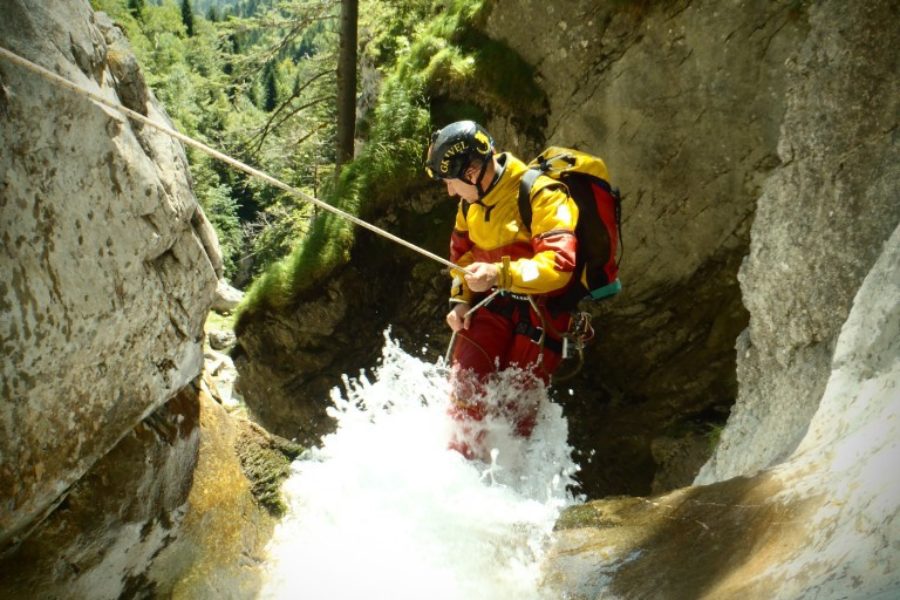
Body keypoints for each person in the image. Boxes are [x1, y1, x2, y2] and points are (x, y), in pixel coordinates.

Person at [424, 120, 579, 460]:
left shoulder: (541, 194)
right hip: (490, 309)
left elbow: (560, 266)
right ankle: (458, 471)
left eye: (450, 182)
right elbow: (460, 257)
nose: (450, 192)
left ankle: (507, 489)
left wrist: (499, 273)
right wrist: (461, 301)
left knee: (513, 419)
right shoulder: (469, 205)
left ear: (472, 171)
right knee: (464, 395)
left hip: (540, 321)